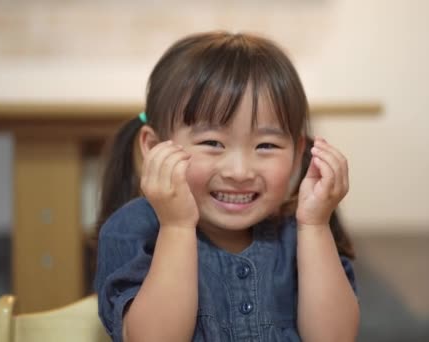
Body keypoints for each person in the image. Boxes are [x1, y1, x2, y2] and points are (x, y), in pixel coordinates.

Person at [94, 31, 360, 342]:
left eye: (266, 146)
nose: (240, 171)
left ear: (298, 151)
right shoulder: (133, 231)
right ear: (155, 147)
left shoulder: (299, 233)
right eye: (212, 143)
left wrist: (315, 225)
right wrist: (176, 226)